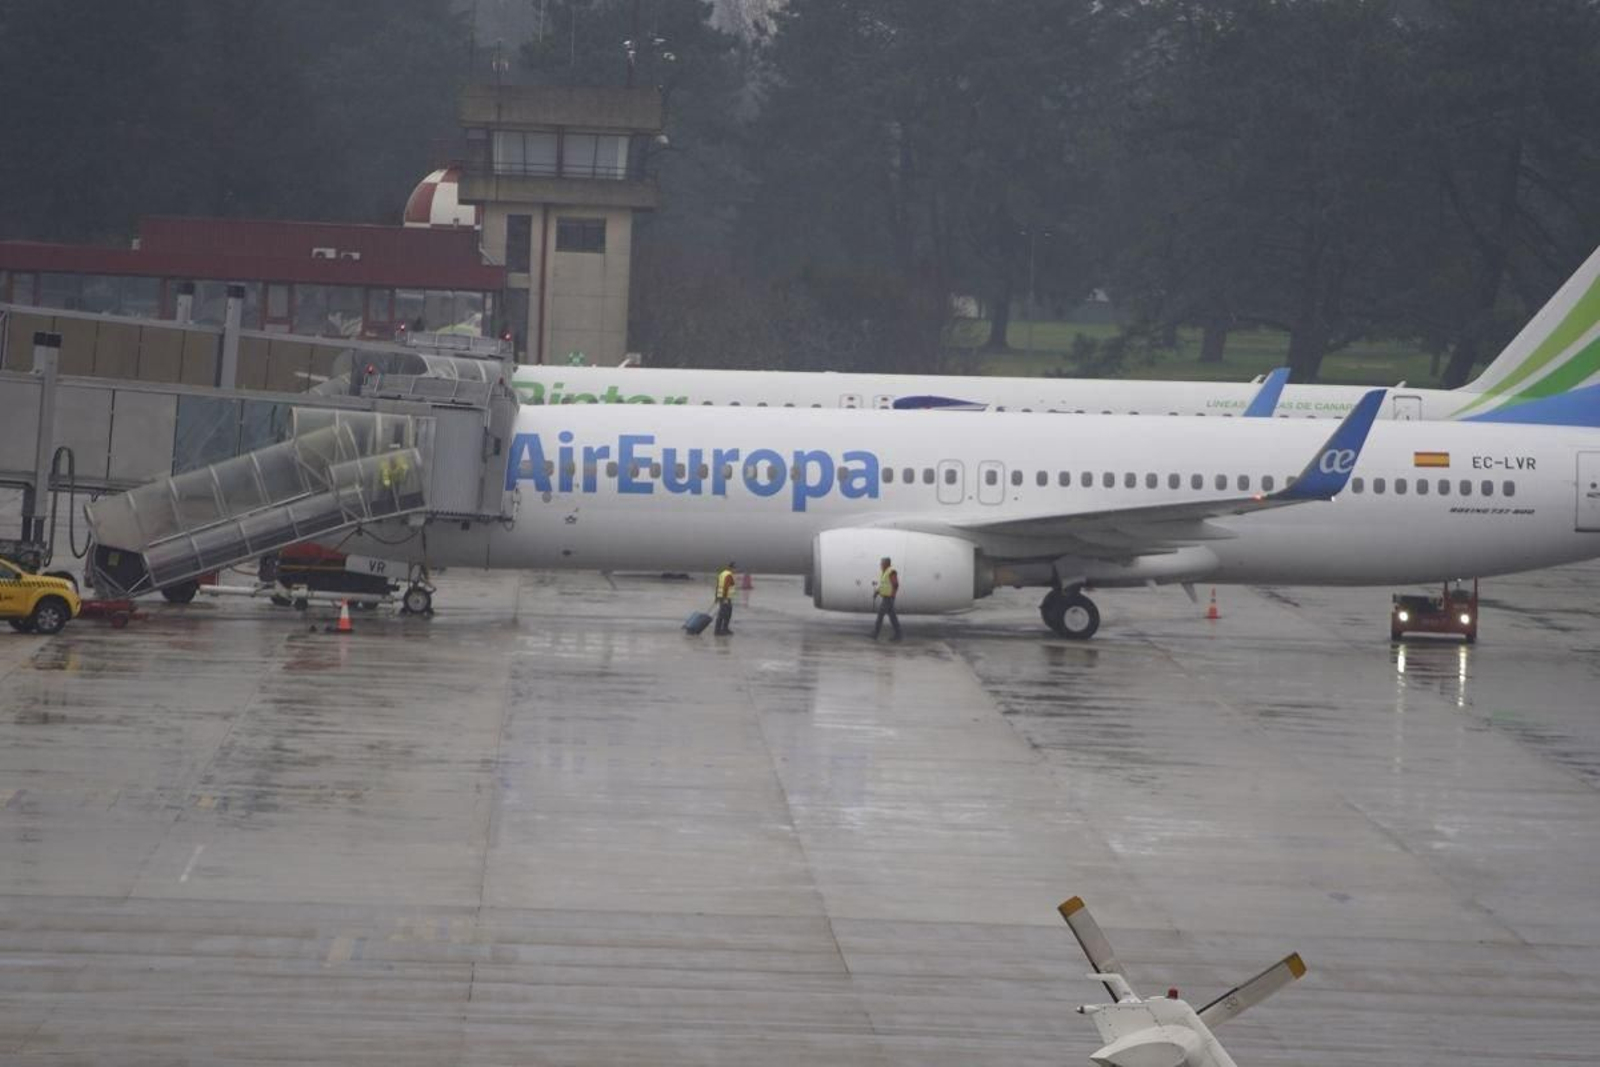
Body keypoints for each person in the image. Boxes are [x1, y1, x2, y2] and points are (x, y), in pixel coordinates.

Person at [872, 556, 901, 641]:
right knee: (893, 617)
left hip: (888, 598)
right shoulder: (885, 572)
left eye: (882, 563)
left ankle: (875, 634)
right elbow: (884, 585)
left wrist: (892, 595)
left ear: (886, 564)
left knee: (880, 616)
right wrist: (877, 592)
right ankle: (898, 635)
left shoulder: (891, 572)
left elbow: (896, 585)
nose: (880, 565)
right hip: (886, 597)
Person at [713, 561, 737, 635]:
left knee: (725, 613)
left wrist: (717, 596)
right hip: (725, 597)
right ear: (731, 568)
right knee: (724, 614)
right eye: (735, 568)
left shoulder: (722, 574)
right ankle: (720, 630)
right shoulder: (729, 575)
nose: (735, 570)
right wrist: (725, 598)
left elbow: (718, 586)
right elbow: (726, 587)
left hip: (721, 596)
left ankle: (722, 629)